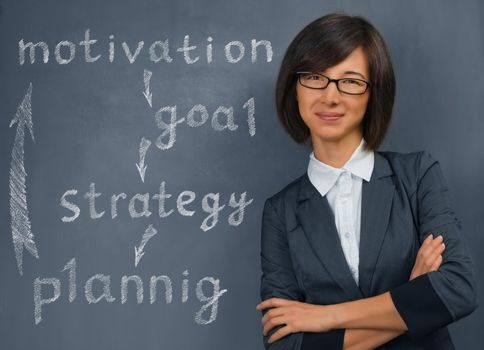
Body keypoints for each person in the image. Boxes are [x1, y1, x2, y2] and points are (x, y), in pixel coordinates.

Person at [256, 13, 477, 350]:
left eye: (350, 81)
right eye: (315, 77)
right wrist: (413, 298)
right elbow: (285, 342)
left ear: (374, 93)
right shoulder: (280, 212)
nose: (330, 97)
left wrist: (325, 316)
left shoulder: (417, 175)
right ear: (294, 89)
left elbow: (457, 289)